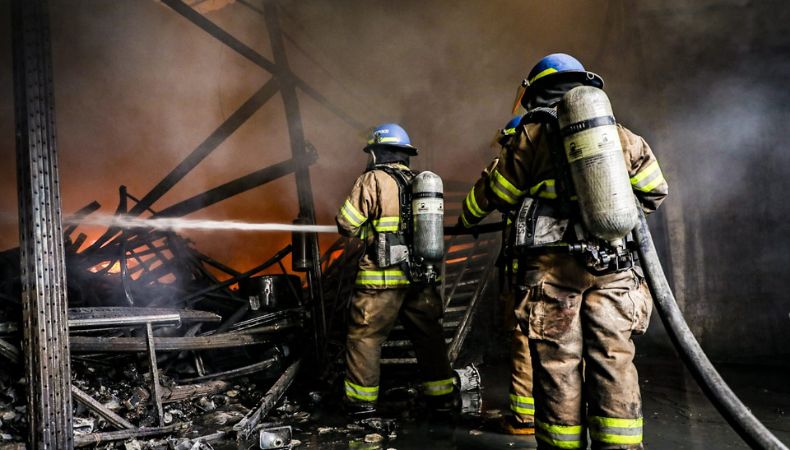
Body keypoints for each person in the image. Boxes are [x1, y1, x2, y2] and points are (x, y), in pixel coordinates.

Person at [458, 54, 668, 449]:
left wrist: (467, 215)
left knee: (558, 365)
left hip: (553, 270)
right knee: (614, 359)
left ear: (535, 91)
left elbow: (500, 193)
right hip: (614, 266)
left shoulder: (531, 134)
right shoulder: (616, 133)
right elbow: (655, 190)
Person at [336, 123, 455, 417]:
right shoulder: (421, 183)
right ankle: (441, 399)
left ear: (376, 153)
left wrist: (371, 234)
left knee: (365, 338)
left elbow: (346, 224)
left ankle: (361, 405)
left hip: (381, 281)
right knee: (429, 336)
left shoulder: (372, 179)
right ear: (406, 155)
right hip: (421, 279)